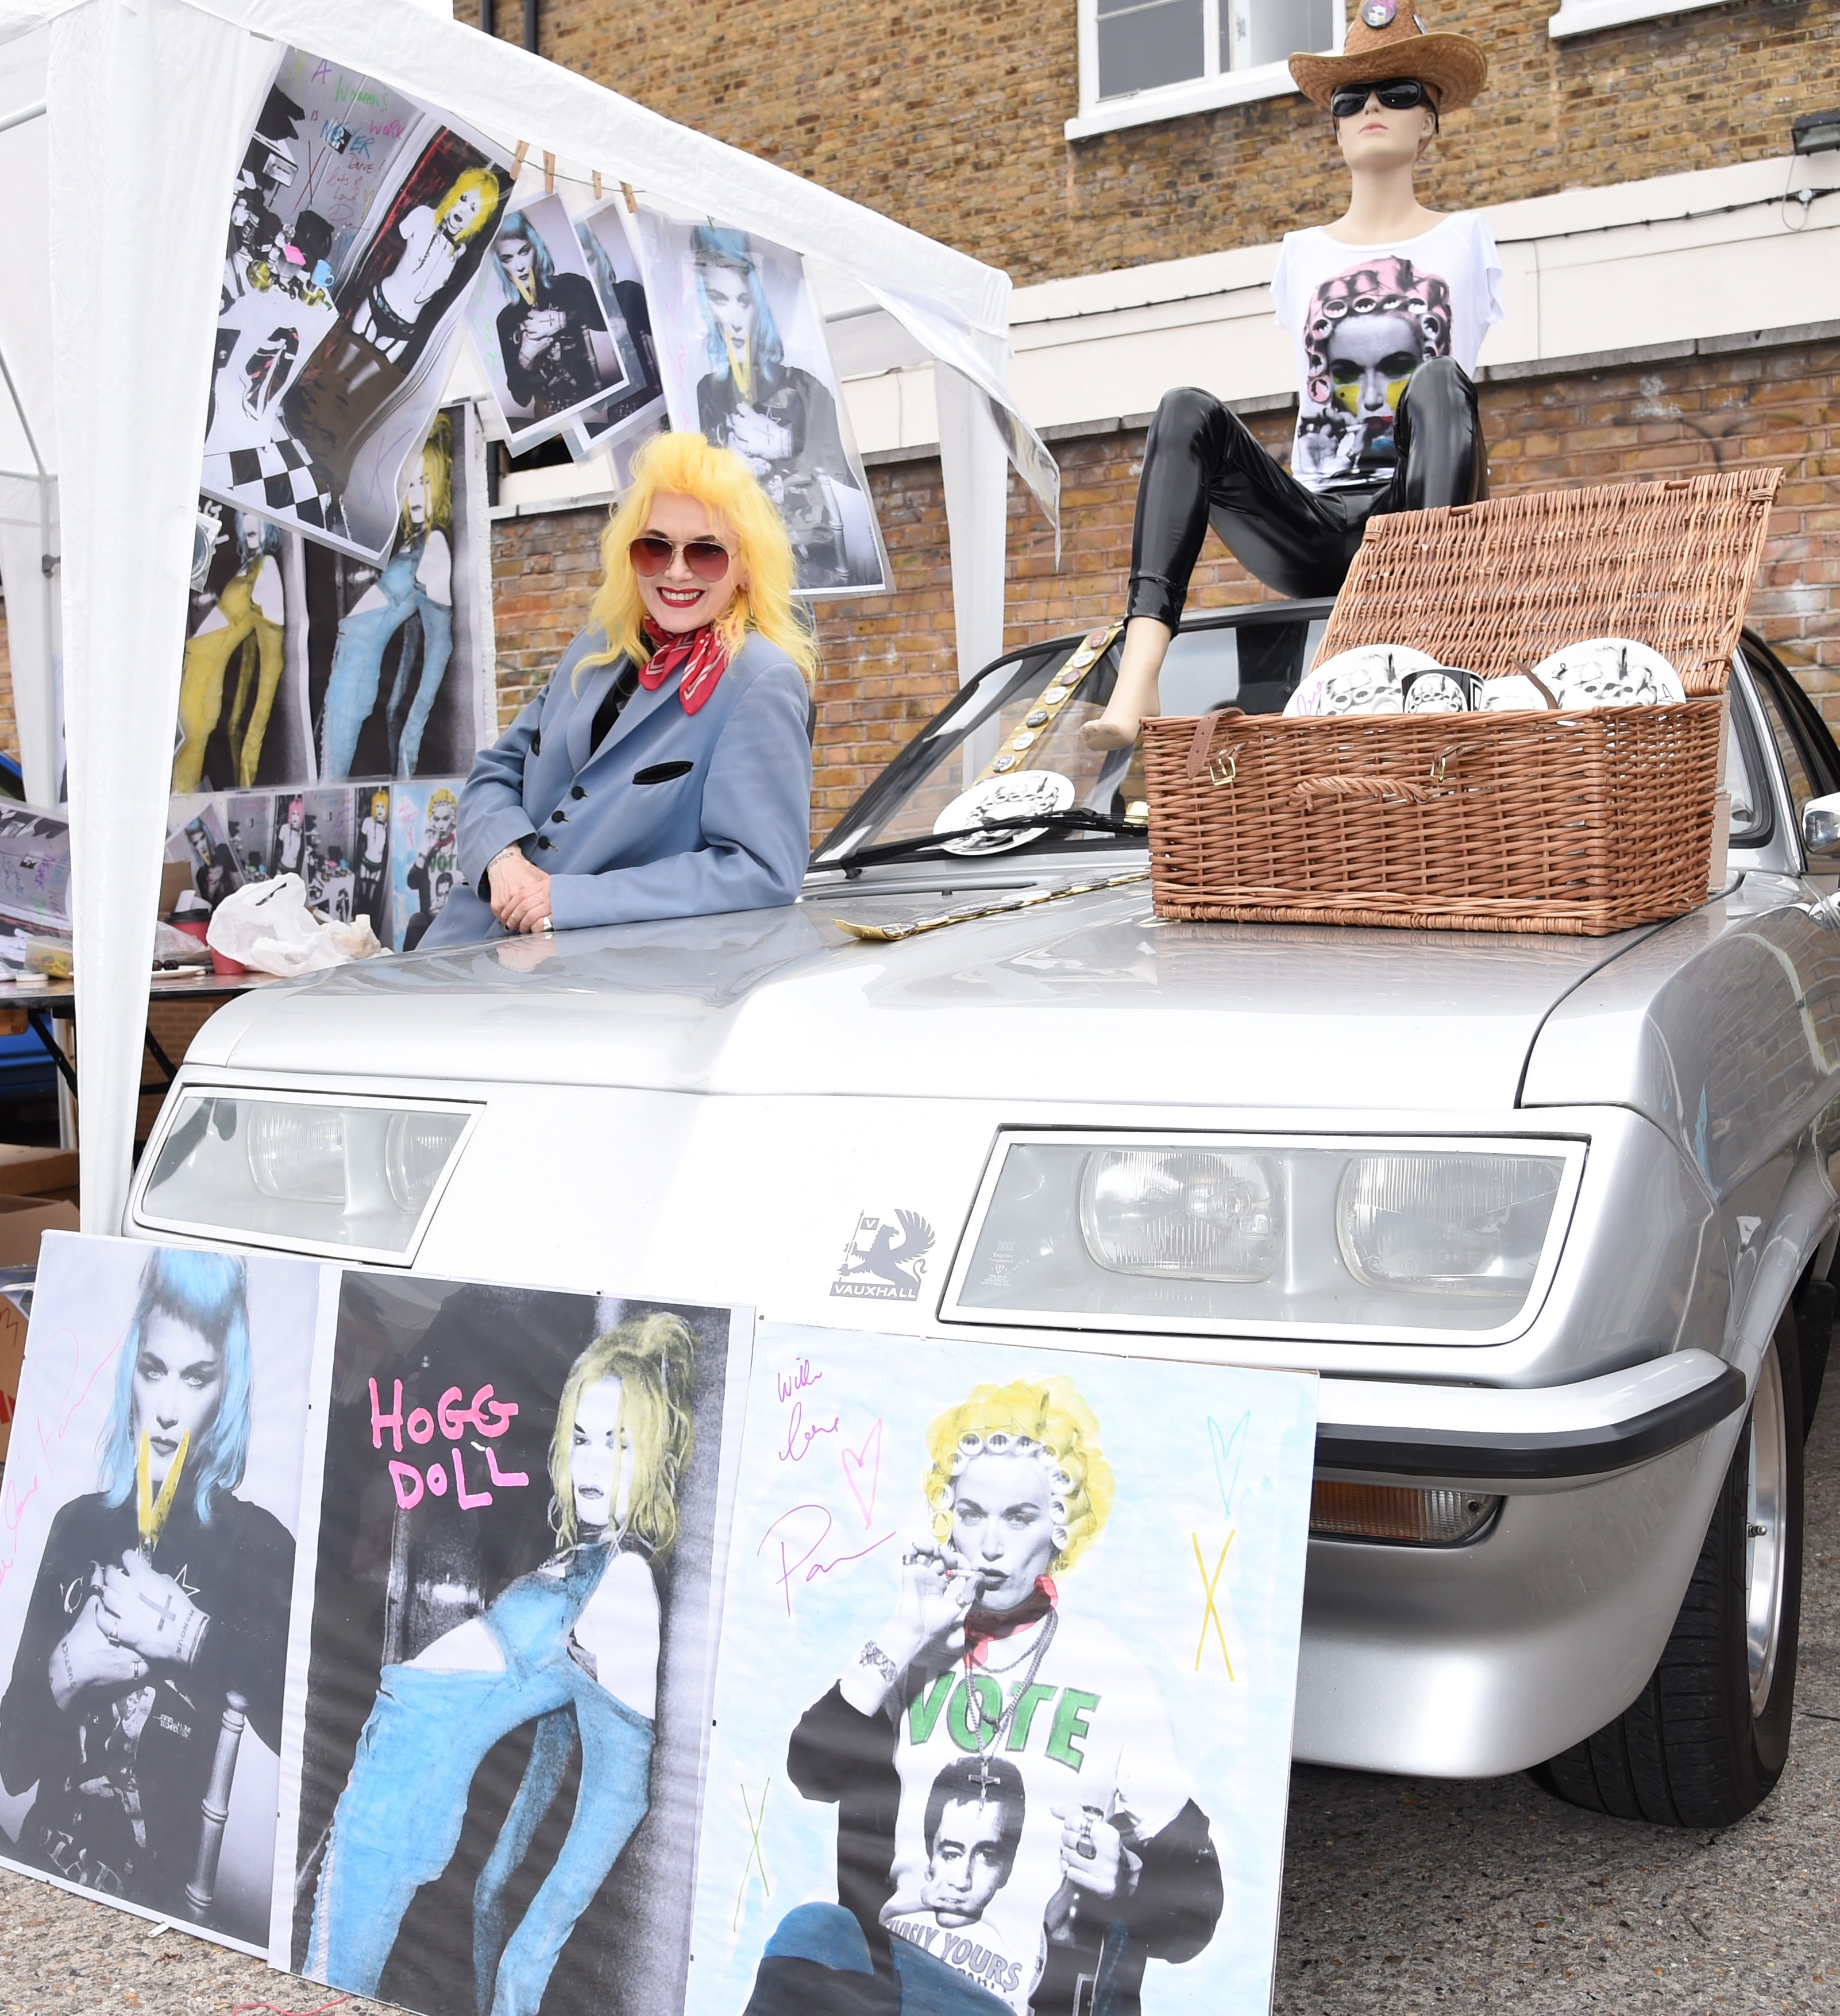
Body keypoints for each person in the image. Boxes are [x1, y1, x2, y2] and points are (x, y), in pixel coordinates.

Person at [1083, 1, 1495, 748]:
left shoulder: (1465, 240)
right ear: (1333, 127)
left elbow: (1456, 409)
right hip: (1315, 525)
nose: (1372, 109)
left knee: (1436, 379)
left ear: (1429, 121)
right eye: (1351, 101)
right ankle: (1139, 670)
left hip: (1417, 521)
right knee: (1185, 409)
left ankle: (1425, 664)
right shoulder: (1298, 254)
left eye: (1398, 93)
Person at [745, 1377, 1223, 2016]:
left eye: (1018, 1517)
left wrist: (1127, 1883)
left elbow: (1195, 1914)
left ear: (1058, 1527)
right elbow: (811, 1771)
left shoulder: (1108, 1671)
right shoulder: (917, 1645)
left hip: (1015, 1997)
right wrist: (906, 1629)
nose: (990, 1545)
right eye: (971, 1514)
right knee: (813, 1931)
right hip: (890, 1977)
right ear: (949, 1518)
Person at [306, 1311, 699, 2016]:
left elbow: (619, 1790)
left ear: (654, 1456)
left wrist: (532, 1948)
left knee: (327, 1992)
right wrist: (493, 1892)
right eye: (580, 1439)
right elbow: (553, 1728)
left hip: (398, 1808)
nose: (588, 1466)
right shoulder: (587, 1559)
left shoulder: (625, 1583)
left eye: (618, 1445)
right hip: (389, 1799)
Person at [421, 430, 815, 947]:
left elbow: (761, 870)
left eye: (706, 553)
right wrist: (503, 858)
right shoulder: (597, 648)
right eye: (655, 548)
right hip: (461, 944)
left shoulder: (760, 680)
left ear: (745, 569)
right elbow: (498, 771)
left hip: (590, 979)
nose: (676, 571)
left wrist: (569, 900)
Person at [0, 1250, 293, 1926]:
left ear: (229, 1392)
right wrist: (65, 1671)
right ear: (129, 1369)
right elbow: (11, 1766)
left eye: (197, 1379)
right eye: (153, 1370)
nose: (164, 1410)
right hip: (41, 1877)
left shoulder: (258, 1546)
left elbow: (319, 1736)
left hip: (160, 1918)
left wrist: (193, 1639)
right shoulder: (78, 1524)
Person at [691, 227, 862, 590]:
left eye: (744, 300)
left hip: (803, 567)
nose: (736, 319)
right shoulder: (704, 391)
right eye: (720, 299)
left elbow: (845, 489)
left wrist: (787, 448)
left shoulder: (804, 387)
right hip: (731, 570)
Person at [318, 416, 456, 779]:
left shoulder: (435, 547)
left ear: (439, 484)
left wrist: (411, 733)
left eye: (424, 483)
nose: (414, 495)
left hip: (354, 688)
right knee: (329, 782)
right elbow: (412, 634)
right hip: (347, 681)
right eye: (409, 485)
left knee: (330, 785)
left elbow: (439, 647)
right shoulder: (417, 544)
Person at [173, 512, 286, 794]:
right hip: (194, 677)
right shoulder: (251, 566)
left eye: (259, 516)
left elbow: (272, 660)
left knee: (184, 768)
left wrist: (251, 752)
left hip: (201, 687)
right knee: (180, 762)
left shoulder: (267, 569)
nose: (251, 523)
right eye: (246, 515)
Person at [352, 167, 502, 368]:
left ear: (478, 219)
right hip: (378, 304)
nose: (463, 209)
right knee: (335, 372)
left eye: (473, 208)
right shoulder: (423, 217)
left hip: (404, 329)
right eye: (463, 199)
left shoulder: (461, 252)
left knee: (365, 388)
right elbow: (393, 238)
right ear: (454, 195)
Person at [491, 210, 616, 423]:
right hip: (551, 424)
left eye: (524, 251)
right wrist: (526, 357)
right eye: (508, 259)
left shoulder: (570, 285)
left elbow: (606, 319)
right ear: (500, 265)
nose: (520, 266)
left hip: (597, 411)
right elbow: (520, 398)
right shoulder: (506, 321)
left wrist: (560, 321)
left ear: (536, 248)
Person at [401, 786, 460, 951]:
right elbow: (412, 883)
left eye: (446, 819)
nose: (441, 825)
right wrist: (424, 853)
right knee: (416, 921)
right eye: (437, 819)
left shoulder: (462, 847)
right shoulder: (428, 851)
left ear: (453, 819)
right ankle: (406, 971)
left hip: (459, 918)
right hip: (431, 920)